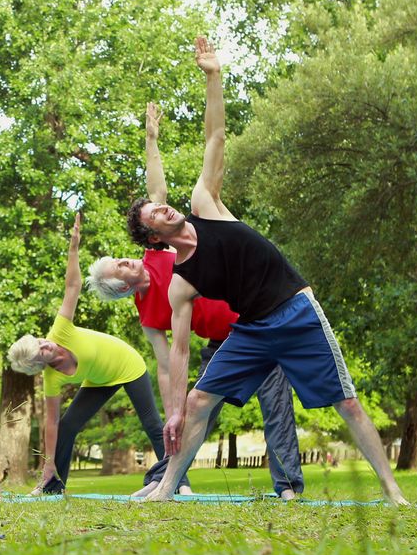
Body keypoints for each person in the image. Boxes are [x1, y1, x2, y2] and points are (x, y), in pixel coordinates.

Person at [125, 37, 406, 504]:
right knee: (198, 402)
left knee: (347, 402)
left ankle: (392, 489)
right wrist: (174, 412)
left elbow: (215, 138)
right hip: (252, 330)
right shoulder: (179, 284)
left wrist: (213, 76)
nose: (163, 208)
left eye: (160, 205)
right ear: (154, 237)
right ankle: (167, 487)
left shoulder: (205, 206)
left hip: (295, 310)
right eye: (153, 214)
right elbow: (177, 355)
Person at [86, 102, 304, 500]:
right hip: (221, 343)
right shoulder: (149, 315)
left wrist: (151, 140)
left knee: (276, 405)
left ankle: (288, 487)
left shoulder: (161, 250)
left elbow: (157, 191)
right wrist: (174, 407)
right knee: (193, 409)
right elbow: (168, 367)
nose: (125, 260)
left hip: (255, 319)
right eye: (118, 266)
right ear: (121, 286)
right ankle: (166, 478)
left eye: (120, 257)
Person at [7, 214, 183, 494]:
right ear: (39, 365)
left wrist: (74, 248)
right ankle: (54, 487)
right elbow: (51, 425)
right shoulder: (52, 379)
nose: (46, 345)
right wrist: (48, 465)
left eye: (41, 340)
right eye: (41, 351)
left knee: (151, 423)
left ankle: (177, 481)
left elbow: (72, 287)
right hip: (101, 380)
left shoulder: (60, 331)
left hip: (127, 364)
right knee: (66, 427)